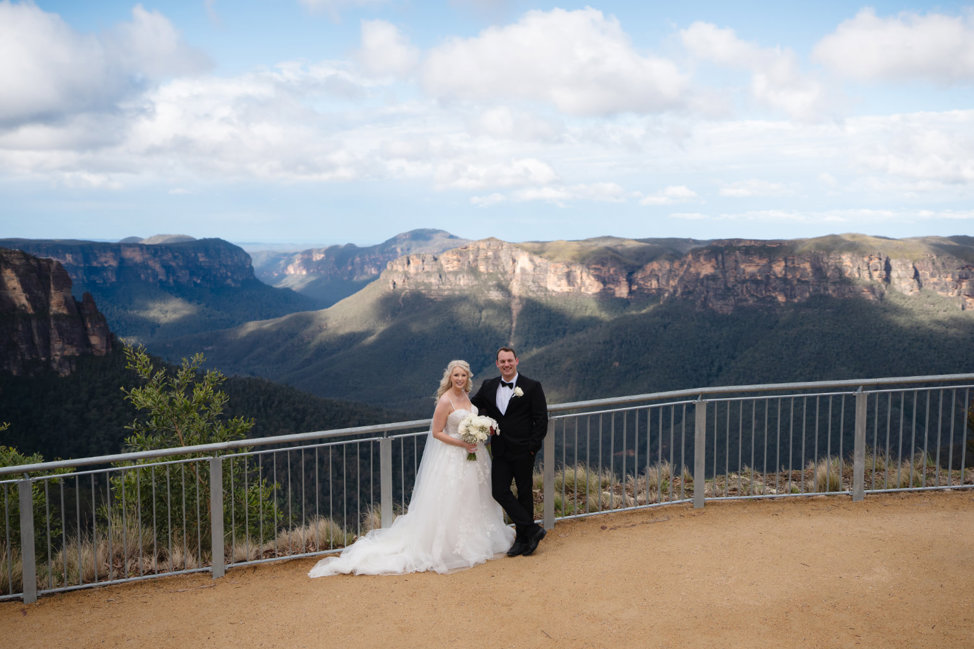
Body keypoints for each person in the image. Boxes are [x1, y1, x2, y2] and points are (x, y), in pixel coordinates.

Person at [308, 360, 514, 577]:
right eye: (456, 376)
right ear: (450, 378)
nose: (460, 379)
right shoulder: (445, 401)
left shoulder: (466, 397)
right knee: (452, 499)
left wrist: (478, 435)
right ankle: (451, 545)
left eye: (463, 375)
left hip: (473, 456)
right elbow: (437, 432)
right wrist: (462, 443)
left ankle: (477, 538)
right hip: (453, 457)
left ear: (468, 378)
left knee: (473, 497)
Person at [471, 346, 548, 557]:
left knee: (525, 494)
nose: (506, 364)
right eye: (502, 361)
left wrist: (532, 447)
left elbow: (541, 419)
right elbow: (474, 406)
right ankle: (532, 529)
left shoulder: (532, 386)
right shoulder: (488, 386)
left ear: (517, 361)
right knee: (499, 491)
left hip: (524, 450)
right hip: (500, 450)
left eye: (509, 361)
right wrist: (486, 418)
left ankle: (523, 539)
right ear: (497, 364)